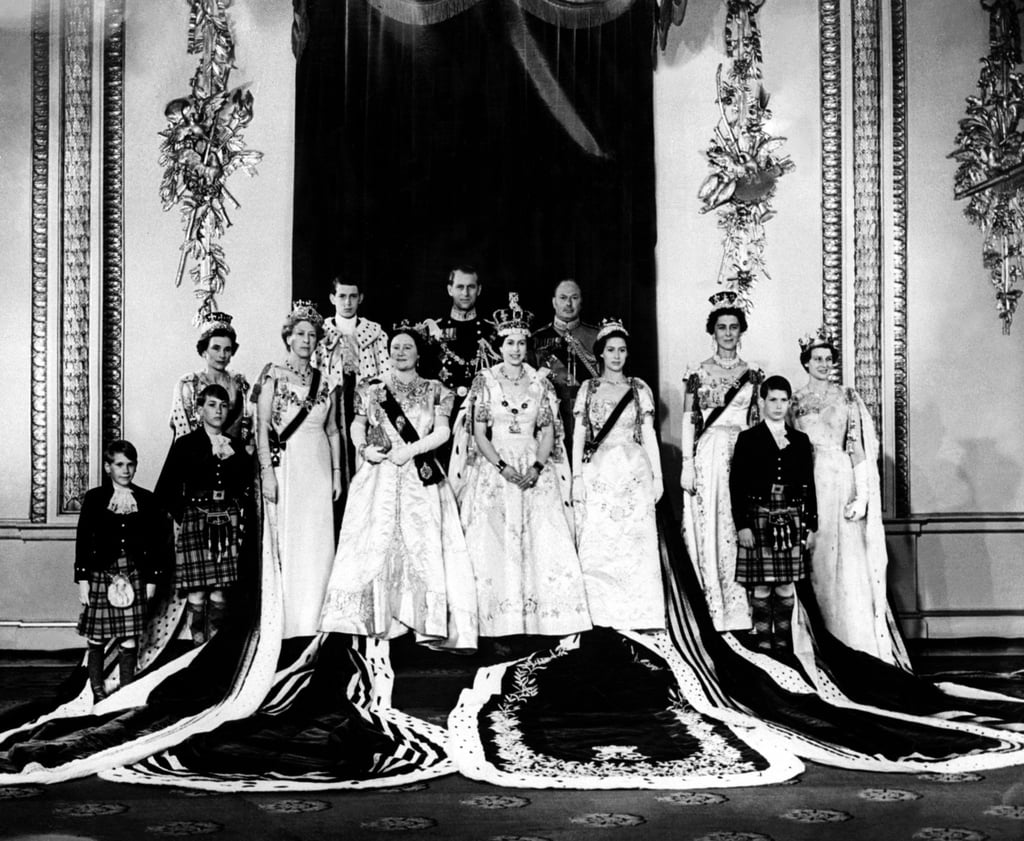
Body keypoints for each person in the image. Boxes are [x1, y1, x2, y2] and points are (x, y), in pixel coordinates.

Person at [319, 324, 477, 650]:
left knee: (421, 543)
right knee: (377, 540)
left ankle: (422, 621)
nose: (400, 352)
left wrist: (411, 450)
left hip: (420, 473)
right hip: (380, 473)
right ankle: (380, 618)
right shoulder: (372, 388)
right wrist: (364, 449)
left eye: (407, 347)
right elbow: (357, 425)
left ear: (419, 353)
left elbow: (443, 432)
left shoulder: (436, 389)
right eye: (395, 347)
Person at [452, 293, 591, 639]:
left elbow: (547, 430)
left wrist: (538, 465)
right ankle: (496, 621)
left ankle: (545, 619)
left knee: (539, 539)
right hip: (495, 467)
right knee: (492, 543)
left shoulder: (540, 381)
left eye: (521, 342)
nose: (515, 348)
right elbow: (479, 433)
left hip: (532, 467)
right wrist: (501, 466)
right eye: (509, 342)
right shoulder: (485, 381)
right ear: (499, 345)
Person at [791, 327, 909, 666]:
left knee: (848, 562)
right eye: (817, 359)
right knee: (817, 561)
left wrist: (862, 496)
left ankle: (855, 643)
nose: (824, 364)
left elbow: (856, 448)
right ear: (806, 363)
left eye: (829, 359)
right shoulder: (794, 400)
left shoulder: (847, 397)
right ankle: (821, 644)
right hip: (809, 482)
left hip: (840, 481)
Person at [254, 301, 342, 638]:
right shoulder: (272, 375)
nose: (306, 340)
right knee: (289, 543)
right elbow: (261, 427)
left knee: (316, 542)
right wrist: (266, 473)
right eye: (300, 333)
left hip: (318, 467)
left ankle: (315, 622)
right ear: (288, 338)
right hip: (286, 467)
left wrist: (336, 474)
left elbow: (333, 430)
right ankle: (286, 625)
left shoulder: (327, 381)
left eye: (312, 334)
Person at [571, 319, 665, 630]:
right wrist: (577, 478)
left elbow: (648, 433)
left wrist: (658, 476)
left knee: (634, 541)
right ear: (600, 353)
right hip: (598, 469)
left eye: (621, 350)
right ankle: (601, 613)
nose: (616, 356)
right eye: (611, 350)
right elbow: (579, 434)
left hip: (633, 469)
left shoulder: (639, 389)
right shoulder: (589, 388)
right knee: (601, 539)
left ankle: (640, 612)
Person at [680, 291, 764, 632]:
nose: (728, 333)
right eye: (721, 327)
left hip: (742, 452)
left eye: (733, 327)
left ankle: (744, 610)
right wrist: (687, 463)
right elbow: (689, 419)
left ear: (741, 331)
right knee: (712, 524)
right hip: (710, 455)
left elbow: (757, 423)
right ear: (712, 332)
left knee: (738, 524)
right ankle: (714, 606)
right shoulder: (697, 372)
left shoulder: (754, 373)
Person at [156, 384, 253, 646]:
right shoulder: (186, 444)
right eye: (212, 405)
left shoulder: (237, 446)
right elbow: (165, 489)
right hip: (195, 520)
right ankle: (197, 648)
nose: (218, 410)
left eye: (223, 405)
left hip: (227, 521)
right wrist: (187, 516)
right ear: (199, 410)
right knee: (197, 593)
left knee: (220, 592)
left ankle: (213, 651)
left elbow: (246, 487)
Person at [75, 440, 170, 700]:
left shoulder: (147, 500)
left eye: (130, 464)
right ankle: (97, 690)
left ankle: (125, 693)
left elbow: (157, 543)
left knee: (128, 639)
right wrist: (83, 579)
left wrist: (152, 579)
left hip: (135, 574)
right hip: (101, 574)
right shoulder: (95, 498)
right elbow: (84, 538)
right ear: (108, 467)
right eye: (119, 464)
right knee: (96, 638)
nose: (125, 470)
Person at [730, 375, 817, 656]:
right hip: (759, 516)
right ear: (762, 402)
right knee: (762, 587)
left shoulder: (801, 441)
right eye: (773, 400)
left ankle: (783, 644)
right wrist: (743, 525)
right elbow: (737, 485)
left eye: (784, 400)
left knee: (784, 585)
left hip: (790, 518)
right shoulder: (748, 439)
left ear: (790, 403)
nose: (779, 406)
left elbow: (808, 484)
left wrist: (810, 525)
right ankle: (764, 646)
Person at [316, 278, 391, 485]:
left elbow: (385, 374)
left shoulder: (374, 333)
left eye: (352, 296)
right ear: (332, 298)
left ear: (360, 299)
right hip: (332, 406)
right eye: (342, 296)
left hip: (364, 406)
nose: (347, 303)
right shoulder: (320, 333)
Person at [531, 279, 599, 457]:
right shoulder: (536, 339)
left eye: (574, 297)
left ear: (581, 301)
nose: (568, 304)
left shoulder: (597, 337)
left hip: (588, 417)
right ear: (554, 302)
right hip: (553, 417)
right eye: (563, 298)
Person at [169, 311, 251, 443]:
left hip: (234, 455)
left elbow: (246, 426)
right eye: (216, 348)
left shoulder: (239, 383)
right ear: (204, 351)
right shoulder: (189, 385)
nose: (222, 355)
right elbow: (182, 430)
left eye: (227, 349)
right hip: (196, 454)